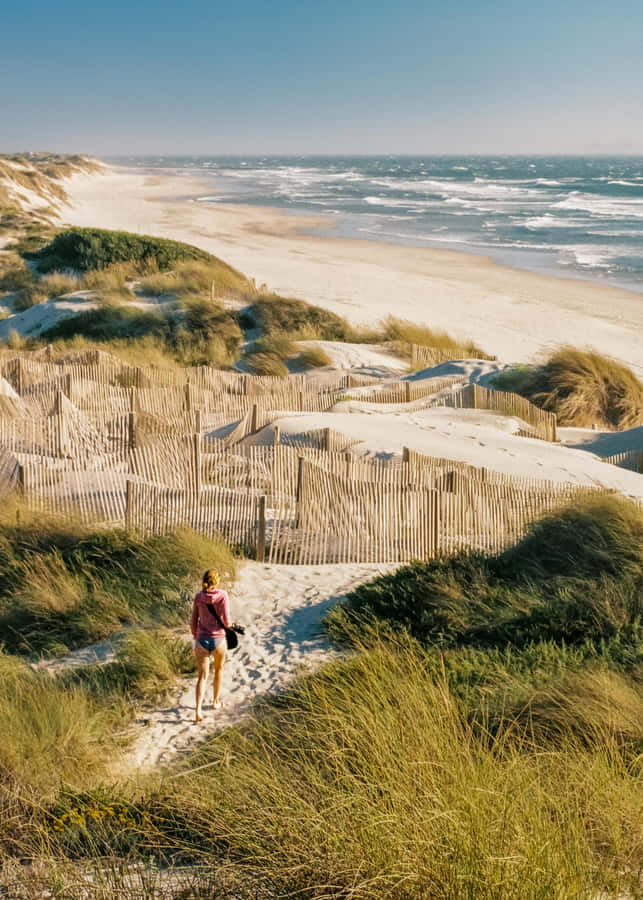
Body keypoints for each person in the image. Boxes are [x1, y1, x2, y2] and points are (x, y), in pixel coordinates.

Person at [190, 568, 230, 723]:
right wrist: (230, 626)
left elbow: (193, 621)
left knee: (202, 676)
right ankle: (215, 702)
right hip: (219, 639)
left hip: (202, 639)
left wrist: (195, 637)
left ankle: (198, 710)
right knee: (219, 669)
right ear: (217, 580)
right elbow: (226, 621)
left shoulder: (199, 597)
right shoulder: (223, 596)